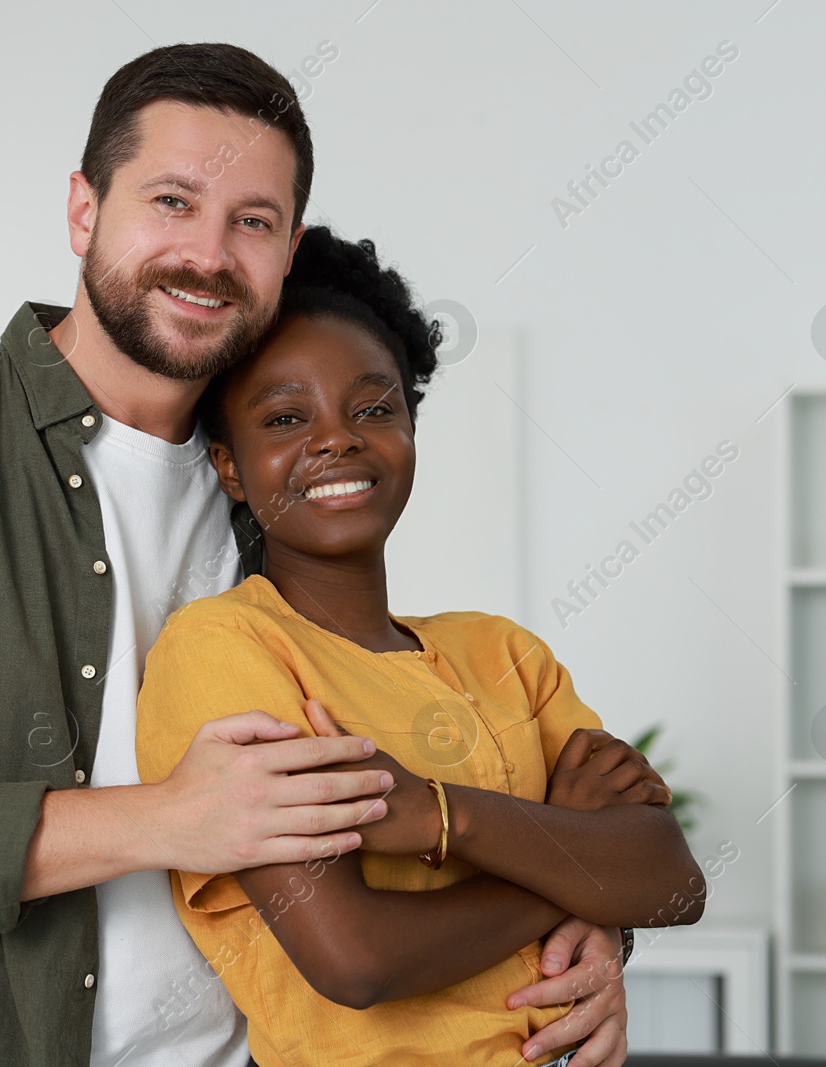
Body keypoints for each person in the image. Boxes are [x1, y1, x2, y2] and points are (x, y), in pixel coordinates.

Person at [0, 42, 633, 1067]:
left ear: (287, 246)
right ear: (83, 210)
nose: (207, 253)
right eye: (171, 202)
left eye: (251, 221)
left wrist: (594, 931)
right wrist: (167, 818)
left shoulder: (278, 486)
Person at [135, 227, 705, 1067]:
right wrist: (570, 867)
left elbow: (672, 877)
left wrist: (441, 814)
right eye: (286, 417)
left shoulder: (505, 653)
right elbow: (358, 957)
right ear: (228, 464)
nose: (338, 438)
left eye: (374, 407)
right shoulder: (223, 649)